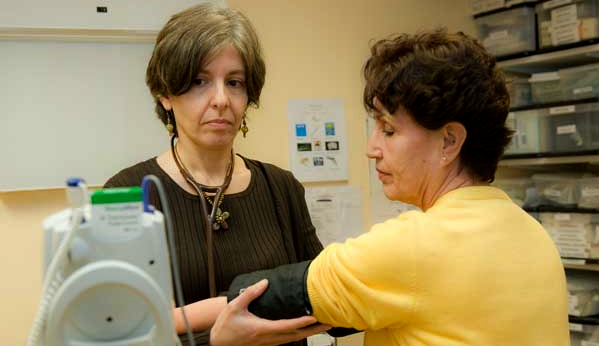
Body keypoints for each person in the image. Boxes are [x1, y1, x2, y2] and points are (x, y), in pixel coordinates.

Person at [219, 29, 570, 346]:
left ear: (449, 141)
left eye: (388, 130)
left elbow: (266, 295)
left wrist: (176, 320)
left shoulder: (414, 246)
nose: (372, 148)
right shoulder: (535, 237)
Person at [104, 4, 327, 345]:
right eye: (199, 81)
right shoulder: (127, 193)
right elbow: (117, 334)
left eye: (234, 82)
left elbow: (320, 297)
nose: (221, 99)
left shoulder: (281, 188)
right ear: (165, 94)